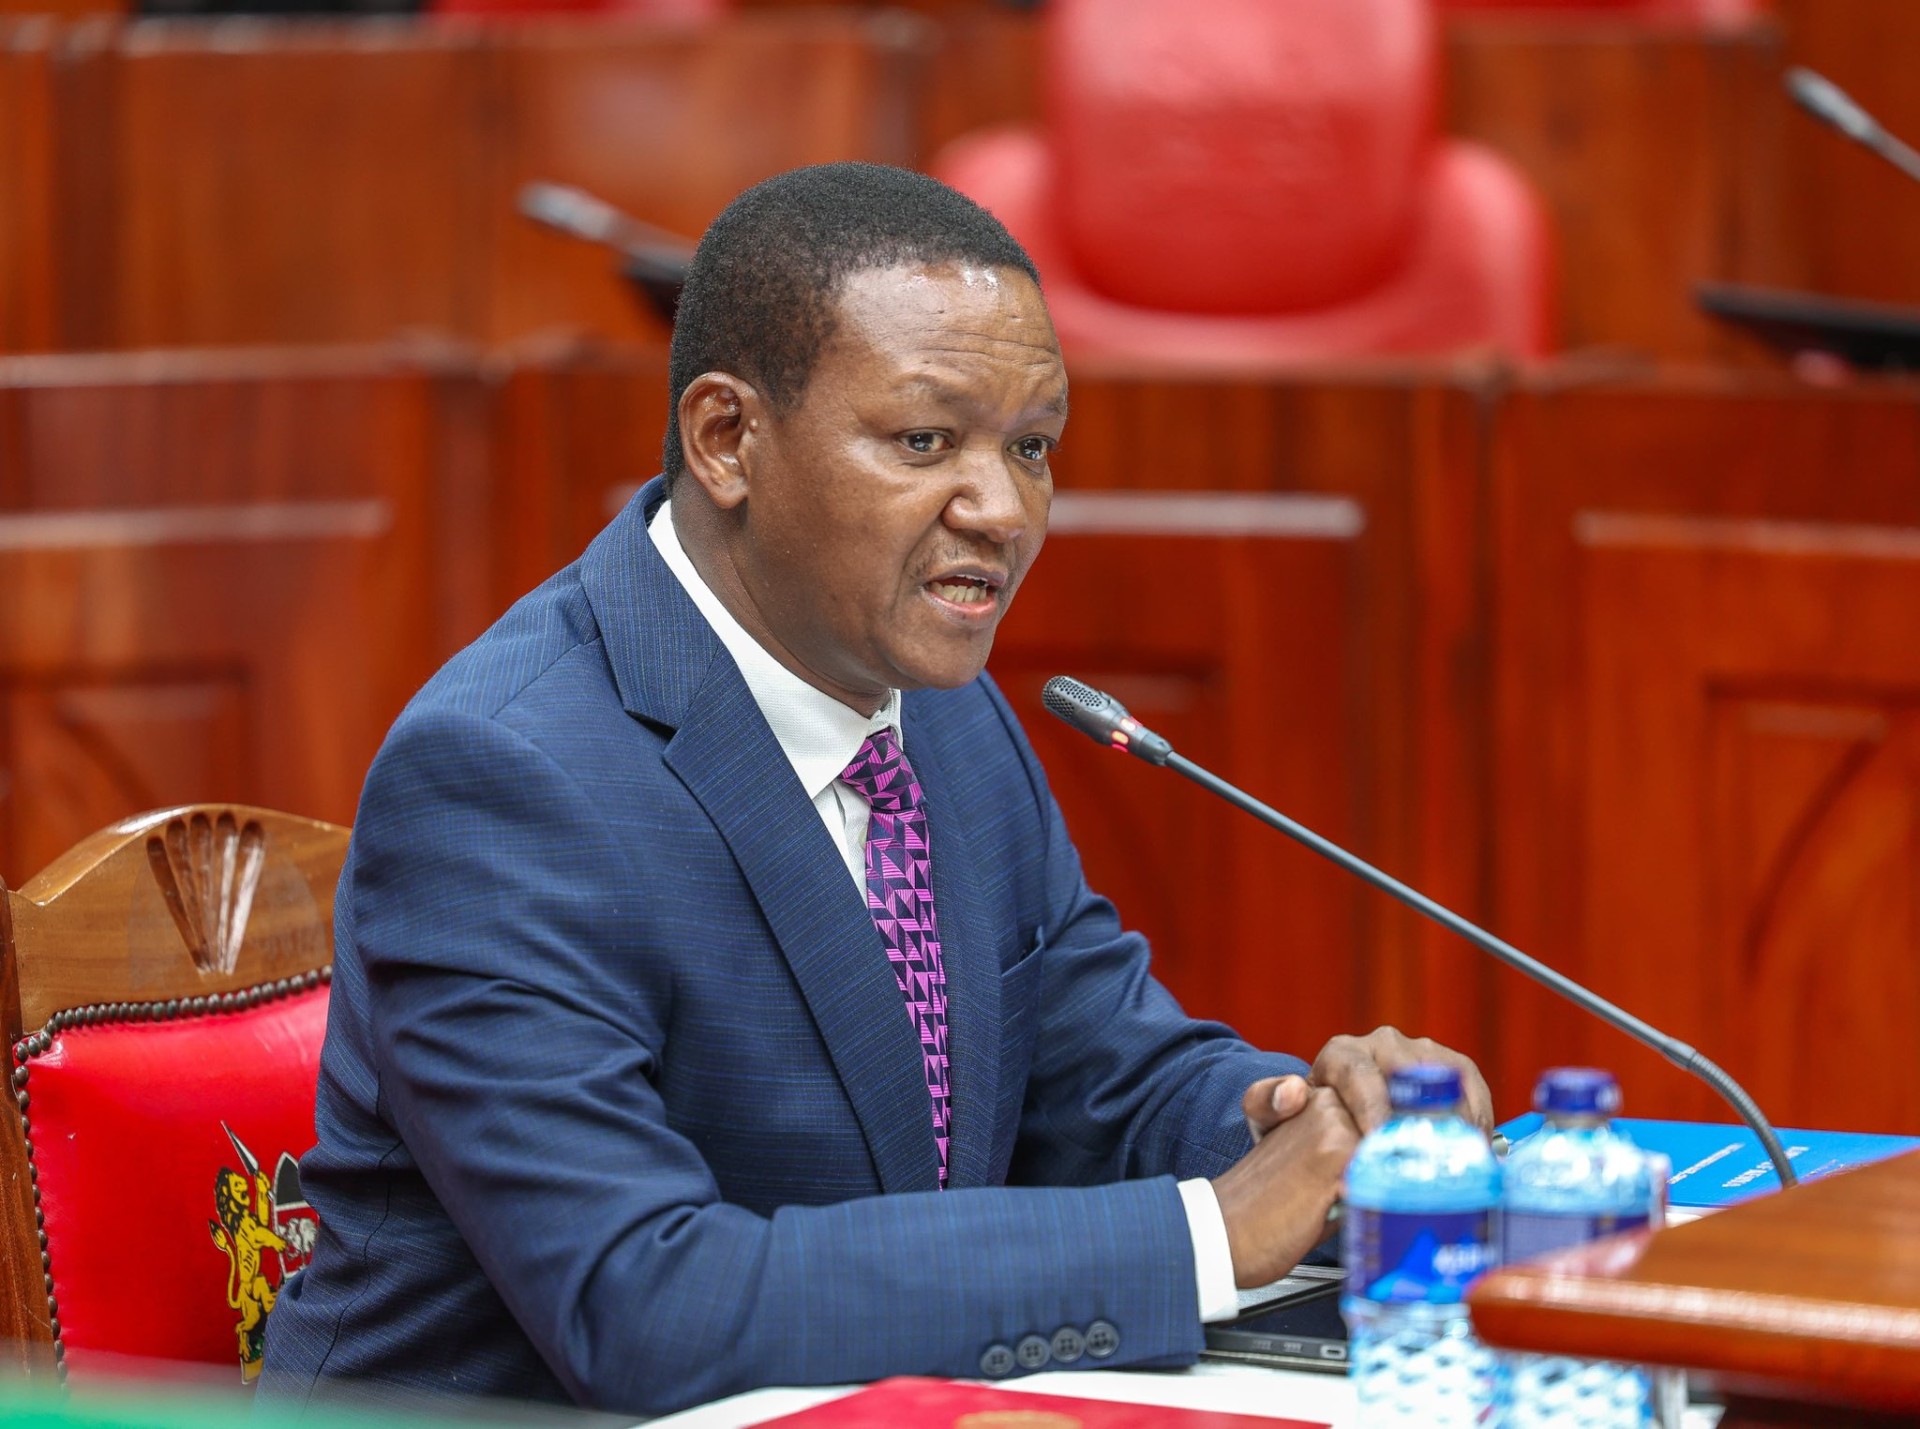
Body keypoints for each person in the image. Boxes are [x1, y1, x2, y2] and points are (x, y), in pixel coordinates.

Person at [258, 162, 1490, 1418]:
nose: (1004, 509)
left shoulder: (945, 717)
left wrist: (1303, 1133)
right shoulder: (503, 778)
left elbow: (1099, 1075)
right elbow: (637, 1299)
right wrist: (1211, 1235)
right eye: (924, 440)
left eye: (1032, 446)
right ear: (728, 439)